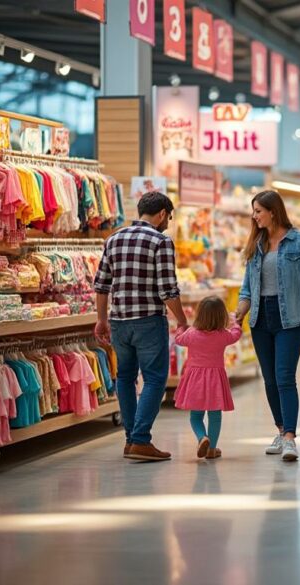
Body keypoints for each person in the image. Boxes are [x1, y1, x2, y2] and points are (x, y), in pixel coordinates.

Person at [94, 191, 187, 462]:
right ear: (161, 214)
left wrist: (101, 319)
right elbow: (168, 290)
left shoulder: (113, 239)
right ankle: (141, 439)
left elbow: (101, 285)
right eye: (168, 217)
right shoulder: (161, 241)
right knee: (156, 378)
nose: (168, 222)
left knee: (125, 377)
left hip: (119, 321)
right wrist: (182, 320)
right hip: (148, 321)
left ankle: (130, 440)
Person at [236, 190, 300, 463]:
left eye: (258, 211)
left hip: (291, 319)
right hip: (261, 318)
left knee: (285, 376)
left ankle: (290, 437)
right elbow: (247, 288)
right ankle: (279, 430)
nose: (254, 216)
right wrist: (237, 314)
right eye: (253, 211)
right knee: (270, 378)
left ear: (273, 211)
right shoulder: (256, 243)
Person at [172, 296, 243, 460]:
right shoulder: (223, 335)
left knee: (195, 416)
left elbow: (178, 339)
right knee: (215, 415)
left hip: (195, 380)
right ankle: (211, 448)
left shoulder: (191, 334)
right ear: (221, 316)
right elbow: (236, 334)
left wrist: (180, 327)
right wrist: (235, 320)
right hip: (215, 380)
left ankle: (202, 437)